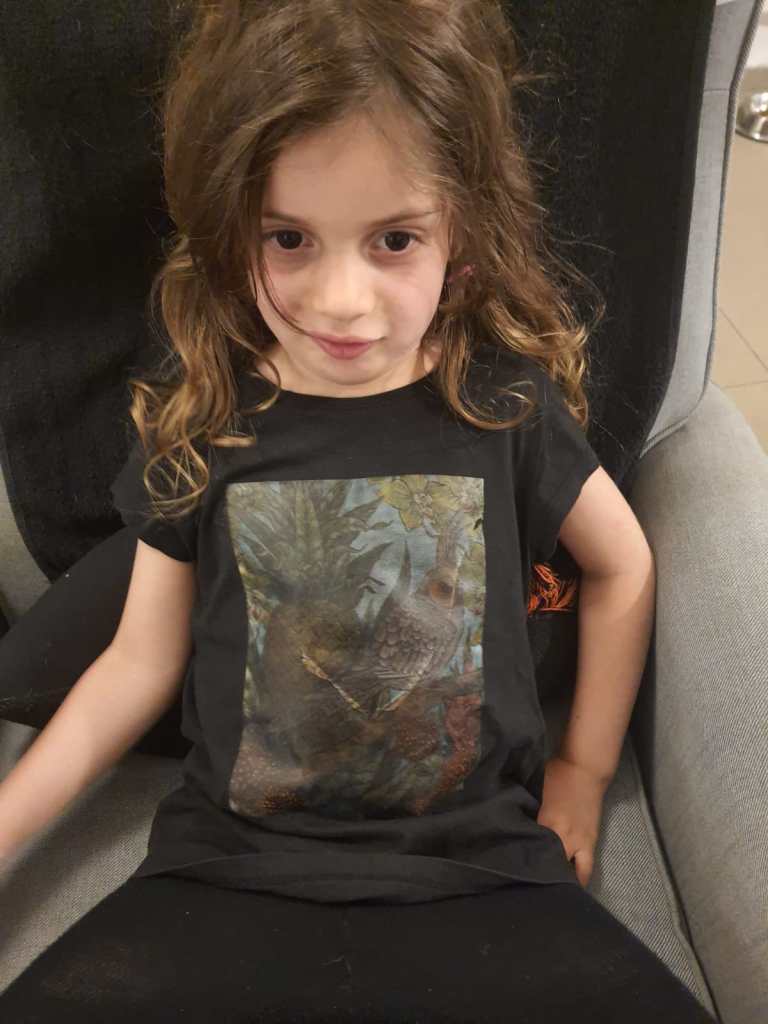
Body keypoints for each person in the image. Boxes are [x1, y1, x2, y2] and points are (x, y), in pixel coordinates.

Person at [0, 0, 717, 1020]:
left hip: (487, 873)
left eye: (393, 239)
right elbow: (136, 664)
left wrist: (583, 768)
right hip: (226, 872)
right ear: (229, 226)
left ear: (463, 225)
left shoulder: (502, 404)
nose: (342, 301)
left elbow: (622, 562)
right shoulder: (204, 420)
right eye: (289, 238)